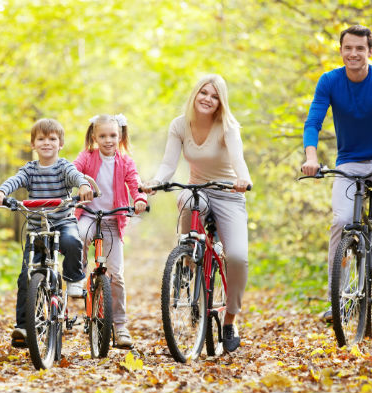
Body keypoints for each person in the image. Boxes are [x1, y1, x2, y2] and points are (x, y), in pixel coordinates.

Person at [300, 25, 372, 323]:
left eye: (360, 48)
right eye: (348, 48)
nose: (353, 53)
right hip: (349, 163)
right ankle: (338, 300)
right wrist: (311, 157)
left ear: (370, 51)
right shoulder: (329, 81)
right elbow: (313, 122)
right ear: (341, 51)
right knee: (340, 222)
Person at [142, 74, 253, 353]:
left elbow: (238, 159)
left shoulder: (228, 126)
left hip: (228, 192)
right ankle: (187, 260)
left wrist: (243, 179)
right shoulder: (179, 125)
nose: (208, 99)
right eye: (204, 93)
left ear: (220, 102)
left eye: (215, 96)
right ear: (195, 94)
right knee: (190, 201)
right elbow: (169, 164)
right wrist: (156, 181)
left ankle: (229, 320)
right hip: (197, 189)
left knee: (237, 257)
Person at [0, 118, 93, 348]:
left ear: (61, 144)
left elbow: (77, 177)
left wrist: (84, 185)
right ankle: (24, 328)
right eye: (41, 139)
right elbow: (14, 181)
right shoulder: (29, 170)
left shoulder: (63, 166)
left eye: (52, 139)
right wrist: (0, 191)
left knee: (72, 241)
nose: (47, 143)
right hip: (37, 227)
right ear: (33, 144)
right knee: (26, 275)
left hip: (62, 221)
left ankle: (75, 278)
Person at [73, 114, 148, 348]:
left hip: (112, 221)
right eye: (103, 136)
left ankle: (120, 325)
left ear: (120, 136)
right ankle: (77, 275)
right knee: (78, 237)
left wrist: (139, 198)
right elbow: (73, 170)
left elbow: (134, 182)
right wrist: (81, 183)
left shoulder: (125, 162)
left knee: (116, 275)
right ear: (94, 137)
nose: (108, 140)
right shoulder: (87, 156)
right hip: (87, 215)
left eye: (113, 135)